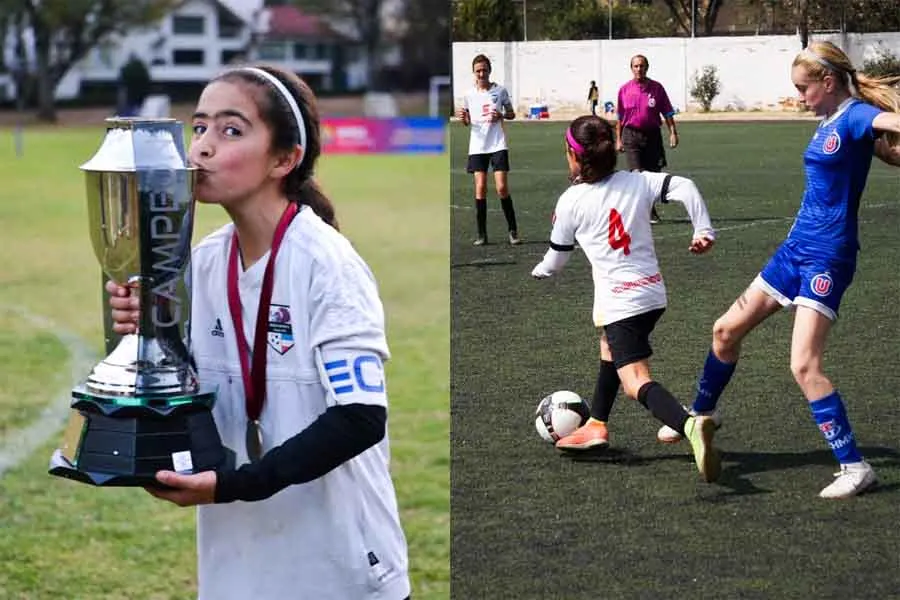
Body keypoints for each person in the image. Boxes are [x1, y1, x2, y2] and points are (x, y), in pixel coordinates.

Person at [107, 64, 411, 599]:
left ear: (284, 159)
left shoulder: (327, 264)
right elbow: (188, 402)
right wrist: (142, 338)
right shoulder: (198, 265)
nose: (201, 147)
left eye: (231, 130)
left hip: (338, 571)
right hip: (237, 572)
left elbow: (360, 418)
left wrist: (234, 485)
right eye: (198, 127)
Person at [655, 41, 900, 499]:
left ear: (827, 83)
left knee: (804, 364)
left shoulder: (855, 115)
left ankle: (855, 466)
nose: (799, 97)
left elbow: (889, 124)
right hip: (794, 251)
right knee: (725, 331)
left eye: (802, 88)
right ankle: (699, 418)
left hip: (827, 257)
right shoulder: (831, 121)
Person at [530, 114, 720, 483]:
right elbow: (685, 186)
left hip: (622, 303)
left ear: (574, 155)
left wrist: (540, 270)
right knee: (609, 349)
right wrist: (704, 229)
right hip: (652, 293)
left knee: (634, 380)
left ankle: (690, 426)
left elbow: (556, 260)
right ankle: (597, 424)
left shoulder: (571, 201)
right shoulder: (638, 182)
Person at [456, 53, 521, 246]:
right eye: (478, 71)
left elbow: (511, 113)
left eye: (484, 70)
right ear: (473, 73)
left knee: (501, 187)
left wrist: (500, 115)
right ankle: (482, 234)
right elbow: (467, 122)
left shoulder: (500, 91)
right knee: (480, 188)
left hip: (497, 144)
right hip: (477, 146)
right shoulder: (468, 95)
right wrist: (463, 119)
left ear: (489, 70)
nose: (481, 73)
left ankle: (513, 231)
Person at [615, 54, 679, 224]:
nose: (639, 69)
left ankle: (648, 207)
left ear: (647, 67)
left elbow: (667, 112)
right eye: (635, 66)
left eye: (642, 66)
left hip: (652, 135)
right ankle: (645, 212)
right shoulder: (624, 90)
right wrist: (618, 139)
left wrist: (673, 132)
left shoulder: (657, 88)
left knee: (653, 176)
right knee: (637, 175)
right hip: (631, 135)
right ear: (631, 68)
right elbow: (620, 117)